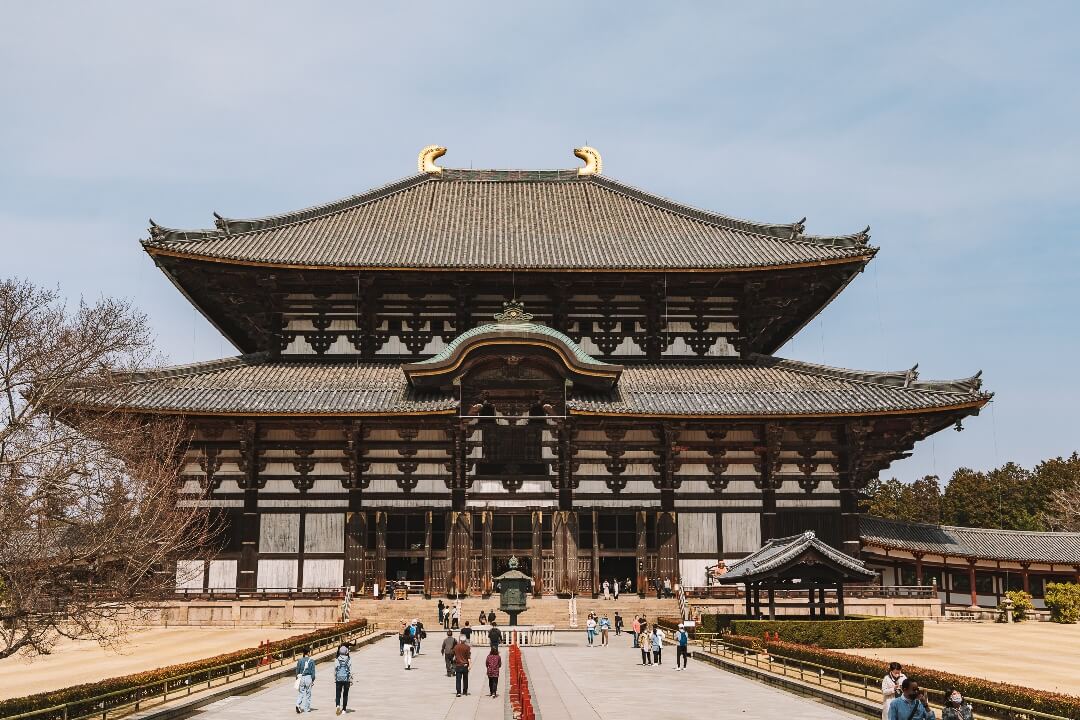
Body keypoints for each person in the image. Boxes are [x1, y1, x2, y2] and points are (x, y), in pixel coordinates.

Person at [294, 647, 315, 713]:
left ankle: (298, 704)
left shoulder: (300, 660)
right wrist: (312, 680)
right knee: (308, 694)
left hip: (301, 677)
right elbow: (313, 672)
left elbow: (297, 670)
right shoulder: (311, 661)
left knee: (301, 693)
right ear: (308, 653)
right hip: (308, 677)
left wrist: (297, 679)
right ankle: (307, 708)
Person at [333, 644, 352, 716]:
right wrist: (351, 679)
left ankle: (338, 705)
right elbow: (351, 670)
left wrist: (335, 677)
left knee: (338, 694)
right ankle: (344, 709)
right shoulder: (349, 659)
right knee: (345, 694)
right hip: (346, 679)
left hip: (338, 678)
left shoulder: (337, 659)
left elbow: (335, 670)